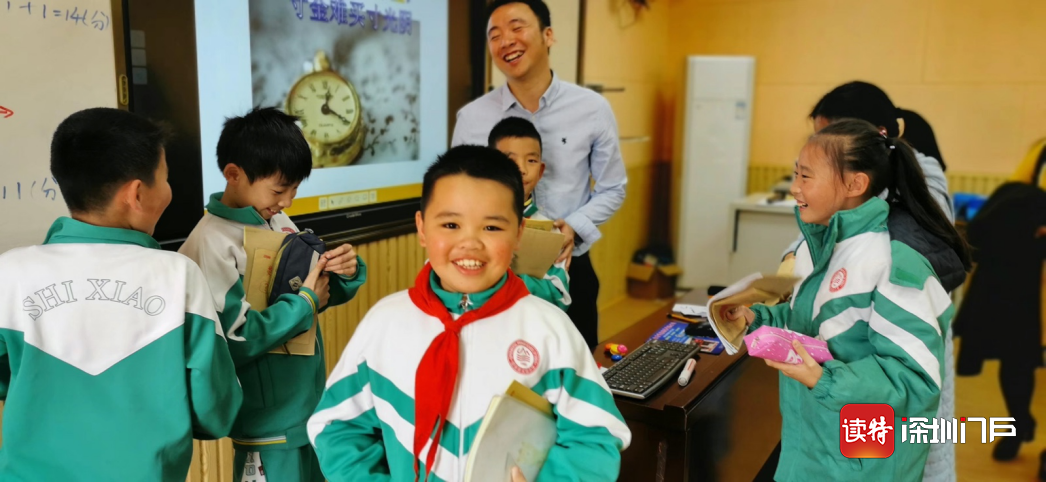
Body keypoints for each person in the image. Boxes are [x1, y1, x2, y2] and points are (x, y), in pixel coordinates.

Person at [307, 145, 630, 482]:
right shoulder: (385, 324)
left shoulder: (550, 329)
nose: (470, 243)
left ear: (519, 233)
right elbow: (337, 428)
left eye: (492, 228)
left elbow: (596, 437)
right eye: (450, 224)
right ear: (422, 228)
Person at [0, 108, 242, 480]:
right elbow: (215, 410)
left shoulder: (10, 272)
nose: (169, 189)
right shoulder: (177, 276)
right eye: (165, 177)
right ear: (137, 193)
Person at [726, 119, 960, 481]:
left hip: (861, 462)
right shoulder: (816, 247)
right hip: (812, 441)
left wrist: (825, 379)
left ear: (855, 184)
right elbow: (810, 325)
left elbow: (914, 381)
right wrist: (757, 319)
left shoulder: (894, 264)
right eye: (795, 174)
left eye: (806, 177)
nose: (795, 188)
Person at [179, 107, 367, 482]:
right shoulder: (211, 242)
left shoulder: (274, 219)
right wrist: (304, 304)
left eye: (295, 190)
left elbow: (311, 292)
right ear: (233, 174)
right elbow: (234, 338)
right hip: (267, 425)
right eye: (280, 190)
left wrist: (343, 272)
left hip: (305, 408)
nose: (287, 202)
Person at [451, 0, 628, 349]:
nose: (506, 41)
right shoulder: (472, 118)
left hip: (569, 268)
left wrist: (573, 227)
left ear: (548, 35)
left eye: (517, 28)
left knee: (573, 367)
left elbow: (613, 188)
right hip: (493, 274)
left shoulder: (592, 109)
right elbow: (457, 194)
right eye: (495, 35)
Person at [488, 116, 571, 310]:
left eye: (531, 160)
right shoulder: (470, 221)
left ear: (541, 171)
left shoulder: (551, 232)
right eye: (511, 160)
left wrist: (509, 281)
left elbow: (559, 296)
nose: (522, 169)